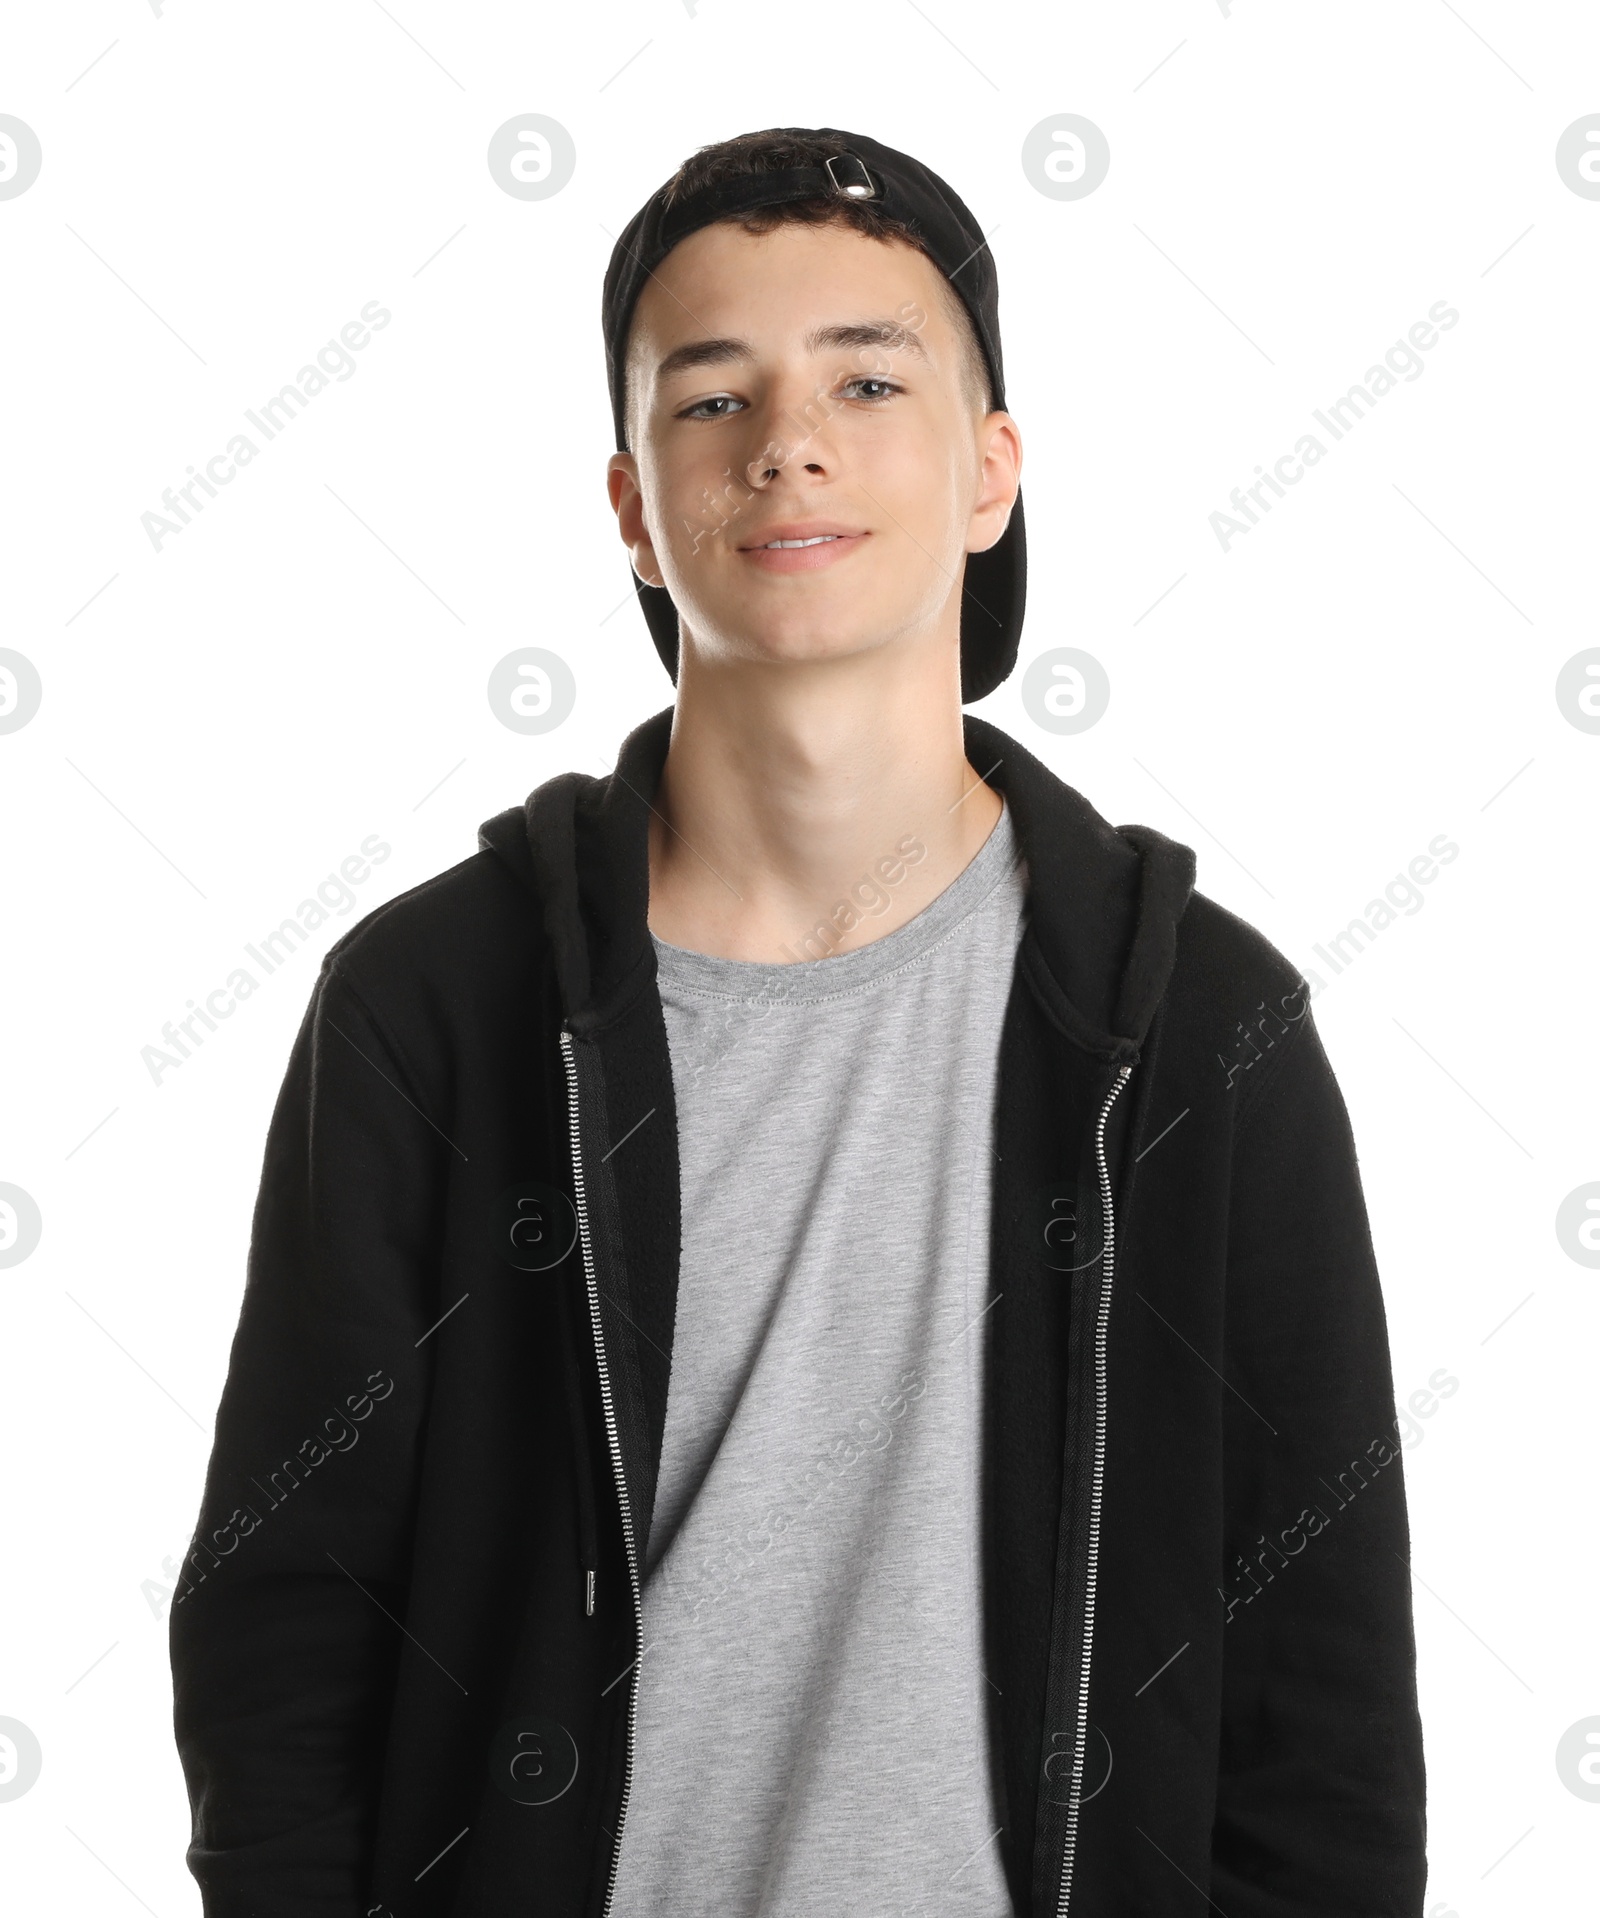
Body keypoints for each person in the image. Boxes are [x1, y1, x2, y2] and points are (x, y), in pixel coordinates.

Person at [170, 127, 1427, 1916]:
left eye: (866, 377)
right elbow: (284, 1638)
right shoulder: (431, 1010)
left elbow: (1326, 1718)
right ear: (630, 504)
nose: (789, 442)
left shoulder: (1202, 1027)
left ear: (991, 471)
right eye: (710, 398)